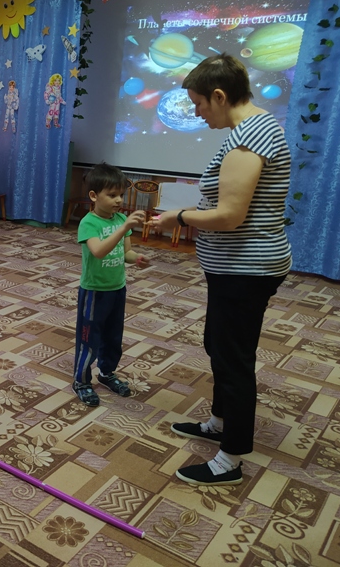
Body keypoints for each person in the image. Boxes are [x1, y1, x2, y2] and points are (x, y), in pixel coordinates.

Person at [150, 54, 292, 486]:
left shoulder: (251, 138)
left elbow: (230, 215)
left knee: (233, 359)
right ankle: (218, 422)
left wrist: (179, 217)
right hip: (235, 268)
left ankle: (231, 458)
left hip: (246, 270)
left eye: (198, 104)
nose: (196, 113)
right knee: (218, 344)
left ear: (219, 95)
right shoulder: (248, 132)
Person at [73, 163, 149, 407]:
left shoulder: (120, 219)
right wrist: (124, 227)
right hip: (94, 292)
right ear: (94, 196)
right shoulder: (89, 223)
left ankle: (106, 373)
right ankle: (81, 381)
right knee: (89, 338)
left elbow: (125, 252)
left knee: (113, 337)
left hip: (117, 288)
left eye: (121, 195)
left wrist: (136, 258)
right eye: (112, 195)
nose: (119, 200)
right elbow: (98, 251)